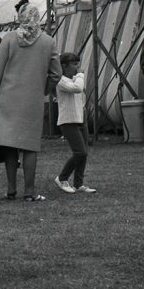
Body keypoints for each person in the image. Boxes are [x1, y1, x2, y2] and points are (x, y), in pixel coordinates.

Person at [0, 3, 62, 202]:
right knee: (30, 146)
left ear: (20, 17)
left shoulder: (9, 39)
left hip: (6, 99)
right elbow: (56, 74)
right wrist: (42, 88)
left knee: (9, 145)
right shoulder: (48, 41)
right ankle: (29, 192)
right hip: (32, 100)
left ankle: (11, 190)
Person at [53, 52, 96, 194]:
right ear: (64, 66)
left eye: (78, 64)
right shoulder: (61, 80)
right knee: (80, 152)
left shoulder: (74, 79)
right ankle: (62, 178)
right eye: (74, 64)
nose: (77, 67)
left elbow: (80, 91)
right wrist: (81, 75)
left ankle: (79, 183)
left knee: (84, 153)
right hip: (68, 120)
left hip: (80, 117)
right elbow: (77, 88)